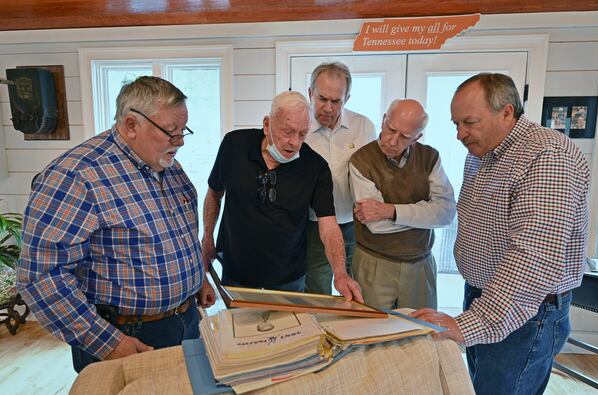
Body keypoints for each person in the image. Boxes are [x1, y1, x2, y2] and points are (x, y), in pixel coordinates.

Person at [17, 76, 215, 373]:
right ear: (131, 125)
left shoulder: (170, 167)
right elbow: (41, 277)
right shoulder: (76, 176)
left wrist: (197, 278)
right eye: (170, 132)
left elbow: (181, 236)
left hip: (187, 321)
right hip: (125, 334)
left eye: (182, 130)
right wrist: (107, 343)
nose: (180, 141)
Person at [412, 73, 591, 395]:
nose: (459, 134)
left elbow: (533, 259)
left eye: (469, 122)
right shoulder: (482, 153)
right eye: (456, 124)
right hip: (486, 295)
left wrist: (468, 324)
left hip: (525, 311)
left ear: (506, 113)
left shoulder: (546, 156)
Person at [201, 91, 363, 301]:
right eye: (288, 132)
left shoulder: (315, 167)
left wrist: (340, 273)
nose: (294, 142)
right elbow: (215, 192)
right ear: (267, 124)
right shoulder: (235, 145)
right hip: (236, 273)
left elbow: (329, 226)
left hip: (288, 278)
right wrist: (207, 237)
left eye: (302, 134)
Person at [349, 99, 456, 310]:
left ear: (417, 137)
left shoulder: (430, 157)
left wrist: (391, 210)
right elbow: (376, 225)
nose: (392, 141)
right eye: (391, 129)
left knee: (419, 332)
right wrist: (425, 216)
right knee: (370, 333)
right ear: (383, 120)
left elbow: (446, 213)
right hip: (374, 262)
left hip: (420, 264)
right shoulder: (361, 161)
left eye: (405, 137)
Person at [304, 61, 377, 295]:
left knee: (355, 284)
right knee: (317, 286)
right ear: (310, 93)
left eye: (336, 101)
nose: (328, 108)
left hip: (354, 223)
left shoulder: (363, 126)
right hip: (312, 223)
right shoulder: (299, 127)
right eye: (321, 98)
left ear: (347, 98)